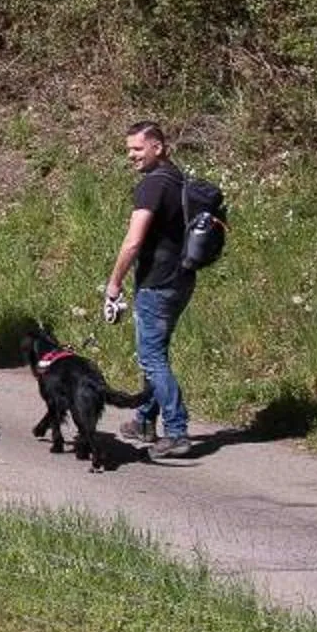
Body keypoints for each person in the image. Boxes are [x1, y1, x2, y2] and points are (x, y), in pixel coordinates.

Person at [102, 119, 194, 455]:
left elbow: (133, 241)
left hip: (157, 282)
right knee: (156, 354)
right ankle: (143, 419)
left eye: (137, 149)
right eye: (129, 149)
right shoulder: (178, 178)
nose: (131, 155)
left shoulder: (153, 186)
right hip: (182, 280)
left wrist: (113, 284)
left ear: (158, 146)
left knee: (152, 358)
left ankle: (177, 430)